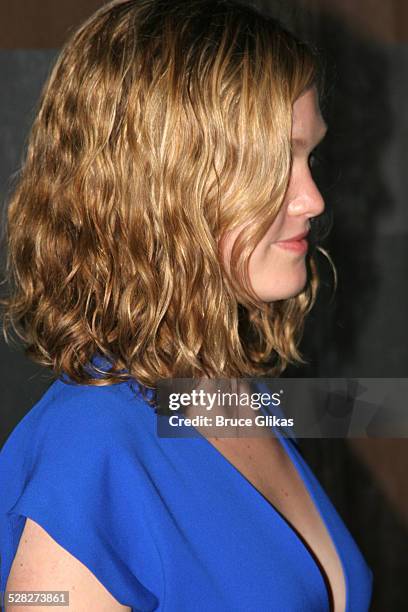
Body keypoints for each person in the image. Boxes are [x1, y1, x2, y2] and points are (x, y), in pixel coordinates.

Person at [0, 0, 373, 610]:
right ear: (164, 188)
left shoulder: (222, 389)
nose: (313, 199)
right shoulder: (92, 452)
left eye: (309, 157)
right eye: (273, 164)